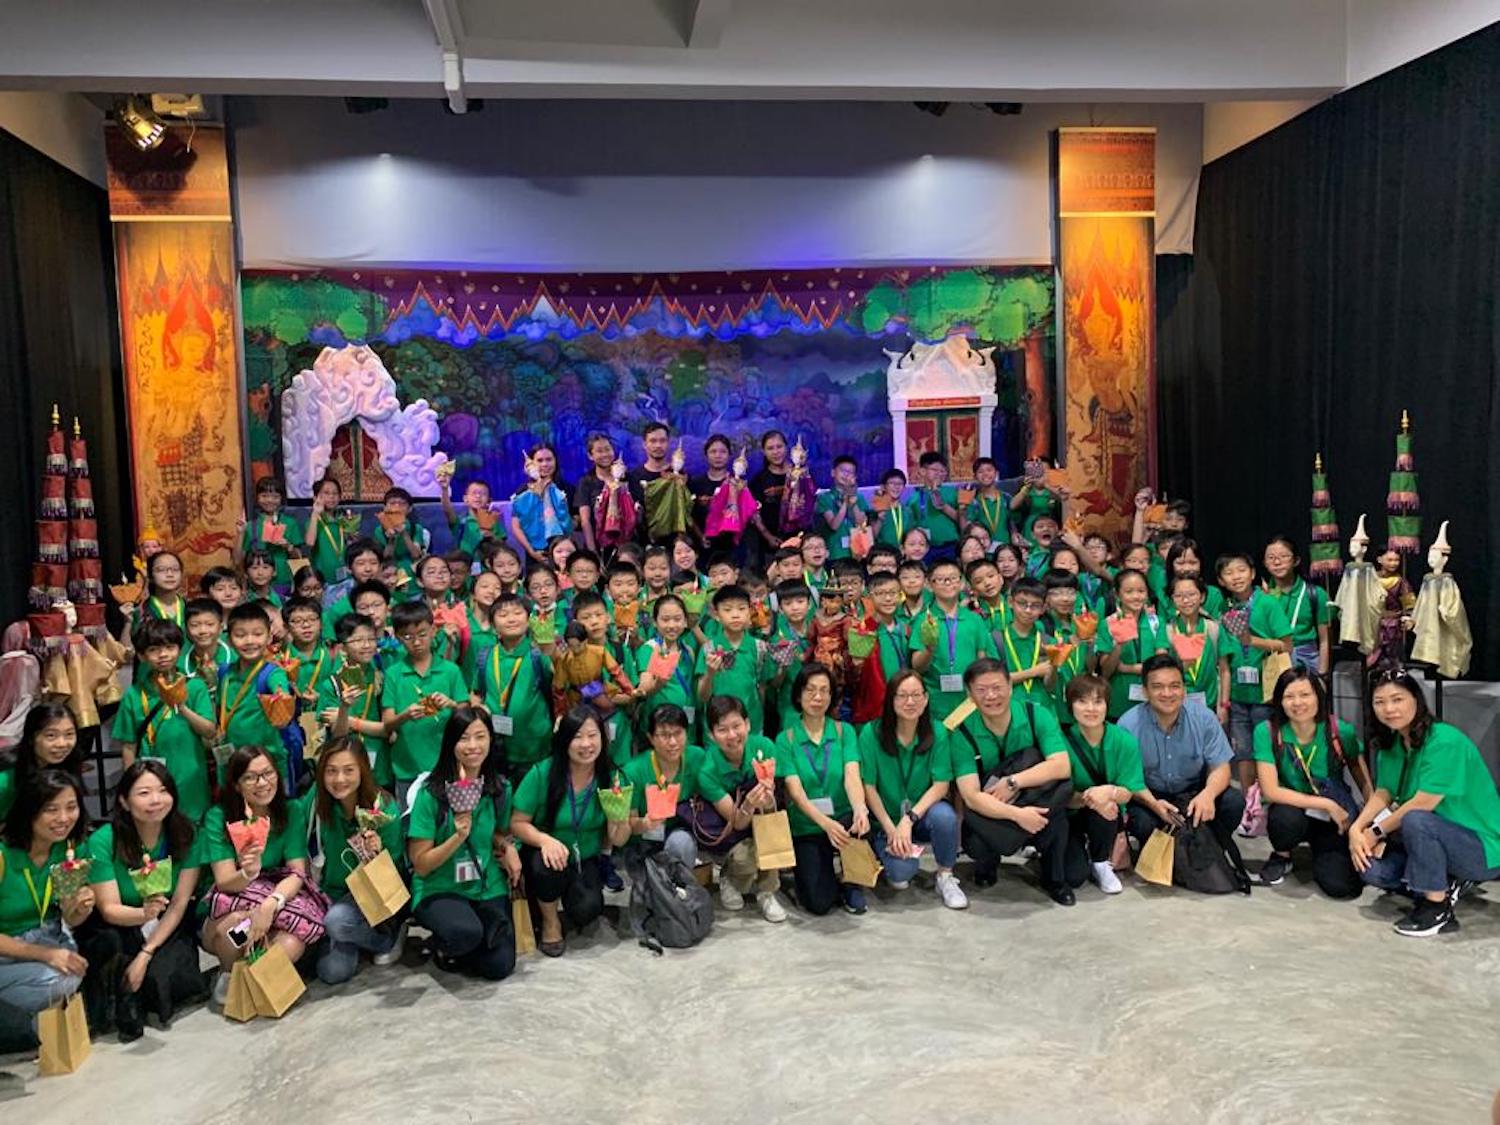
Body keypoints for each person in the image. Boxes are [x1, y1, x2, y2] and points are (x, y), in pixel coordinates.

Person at [1350, 670, 1500, 937]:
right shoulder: (1394, 744)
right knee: (1371, 870)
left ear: (1416, 700)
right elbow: (1384, 792)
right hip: (1429, 838)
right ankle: (1446, 882)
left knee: (1416, 819)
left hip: (1481, 847)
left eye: (1397, 699)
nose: (1389, 709)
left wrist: (1376, 832)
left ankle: (1437, 908)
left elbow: (1424, 803)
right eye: (1380, 702)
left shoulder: (1444, 741)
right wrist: (1357, 830)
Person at [80, 761, 205, 1039]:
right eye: (144, 793)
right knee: (115, 954)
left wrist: (146, 954)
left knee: (160, 978)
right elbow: (109, 908)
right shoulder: (104, 840)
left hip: (168, 922)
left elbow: (179, 903)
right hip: (122, 921)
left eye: (163, 790)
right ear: (124, 801)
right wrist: (143, 915)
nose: (156, 800)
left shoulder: (187, 834)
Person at [200, 748, 325, 1005]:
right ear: (236, 784)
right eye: (250, 777)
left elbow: (297, 872)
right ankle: (229, 973)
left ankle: (254, 978)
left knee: (291, 944)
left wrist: (270, 905)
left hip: (277, 898)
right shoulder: (218, 817)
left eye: (268, 773)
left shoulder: (290, 810)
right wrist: (248, 872)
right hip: (234, 902)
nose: (262, 783)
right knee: (235, 929)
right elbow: (224, 881)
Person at [948, 659, 1075, 904]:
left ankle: (1054, 880)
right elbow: (971, 796)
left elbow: (1061, 765)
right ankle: (987, 864)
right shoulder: (962, 732)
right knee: (975, 842)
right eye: (981, 690)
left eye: (997, 687)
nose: (991, 696)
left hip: (1034, 798)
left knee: (1058, 820)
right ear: (970, 695)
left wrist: (1013, 782)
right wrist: (1017, 815)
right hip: (994, 806)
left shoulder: (1036, 714)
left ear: (1010, 686)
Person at [510, 706, 632, 957]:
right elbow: (517, 823)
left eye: (593, 735)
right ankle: (550, 921)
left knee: (587, 910)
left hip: (583, 857)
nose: (586, 744)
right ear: (564, 740)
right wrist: (544, 840)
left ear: (603, 738)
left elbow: (620, 840)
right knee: (546, 871)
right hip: (546, 855)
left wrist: (618, 821)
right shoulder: (542, 773)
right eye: (577, 736)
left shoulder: (614, 779)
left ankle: (568, 894)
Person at [407, 709, 520, 979]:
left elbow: (498, 833)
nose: (473, 746)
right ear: (450, 743)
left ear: (491, 740)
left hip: (486, 884)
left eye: (480, 736)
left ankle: (470, 943)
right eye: (463, 738)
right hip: (440, 885)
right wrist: (458, 836)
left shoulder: (499, 789)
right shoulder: (430, 794)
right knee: (464, 934)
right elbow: (421, 865)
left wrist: (508, 847)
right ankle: (448, 943)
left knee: (500, 965)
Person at [1118, 654, 1248, 872]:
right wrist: (1153, 804)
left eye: (1174, 686)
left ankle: (1209, 848)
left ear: (1184, 690)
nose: (1167, 693)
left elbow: (1221, 767)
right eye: (1158, 687)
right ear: (1145, 691)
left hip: (1193, 792)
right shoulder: (1128, 725)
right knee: (1142, 822)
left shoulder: (1204, 718)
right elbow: (1128, 779)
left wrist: (1208, 794)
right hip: (1150, 795)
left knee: (1232, 802)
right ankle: (1158, 852)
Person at [1252, 668, 1368, 898]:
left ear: (1318, 696)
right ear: (1279, 701)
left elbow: (1361, 776)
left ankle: (1323, 851)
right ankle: (1282, 854)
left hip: (1332, 818)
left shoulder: (1339, 731)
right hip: (1294, 809)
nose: (1297, 703)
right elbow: (1271, 791)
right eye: (1289, 696)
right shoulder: (1268, 732)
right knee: (1284, 819)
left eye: (1305, 695)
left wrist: (1368, 822)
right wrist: (1326, 804)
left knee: (1342, 887)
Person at [0, 771, 96, 1046]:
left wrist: (80, 908)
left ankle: (29, 1026)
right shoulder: (4, 855)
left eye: (71, 807)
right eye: (51, 810)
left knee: (72, 969)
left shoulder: (70, 850)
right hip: (8, 949)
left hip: (49, 937)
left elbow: (70, 920)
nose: (63, 818)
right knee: (61, 979)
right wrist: (46, 955)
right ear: (29, 811)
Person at [858, 670, 967, 909]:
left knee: (945, 817)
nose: (910, 702)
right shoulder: (871, 733)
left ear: (926, 699)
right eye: (902, 695)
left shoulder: (937, 732)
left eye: (916, 695)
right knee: (901, 874)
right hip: (886, 821)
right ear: (891, 700)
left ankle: (945, 875)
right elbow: (869, 787)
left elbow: (941, 785)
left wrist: (909, 819)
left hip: (921, 816)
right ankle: (890, 857)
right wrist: (892, 829)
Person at [303, 738, 408, 983]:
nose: (339, 779)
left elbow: (394, 872)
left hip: (368, 894)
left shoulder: (382, 809)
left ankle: (385, 938)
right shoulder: (316, 801)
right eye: (331, 771)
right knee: (331, 972)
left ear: (363, 770)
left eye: (349, 770)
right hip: (328, 893)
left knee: (337, 922)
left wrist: (377, 854)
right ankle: (354, 934)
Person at [1059, 675, 1172, 895]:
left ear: (1107, 705)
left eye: (1098, 701)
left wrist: (1109, 792)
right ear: (1070, 705)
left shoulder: (1123, 740)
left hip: (1106, 814)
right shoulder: (1060, 742)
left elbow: (1129, 791)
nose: (1090, 708)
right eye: (1082, 701)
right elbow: (1059, 795)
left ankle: (1101, 862)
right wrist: (1091, 797)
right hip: (1068, 812)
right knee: (1073, 877)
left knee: (1108, 807)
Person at [775, 663, 869, 915]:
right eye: (810, 690)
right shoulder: (786, 739)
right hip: (808, 824)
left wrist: (860, 808)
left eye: (824, 690)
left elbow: (852, 776)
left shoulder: (844, 731)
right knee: (818, 904)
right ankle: (821, 875)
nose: (817, 697)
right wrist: (825, 824)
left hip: (842, 818)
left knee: (859, 822)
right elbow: (796, 793)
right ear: (798, 695)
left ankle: (852, 882)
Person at [693, 696, 786, 921]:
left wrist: (768, 801)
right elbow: (737, 822)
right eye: (722, 730)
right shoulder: (707, 771)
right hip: (732, 827)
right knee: (745, 860)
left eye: (737, 726)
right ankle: (730, 878)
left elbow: (776, 803)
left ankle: (767, 891)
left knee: (772, 828)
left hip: (764, 818)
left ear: (748, 724)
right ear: (711, 735)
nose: (732, 735)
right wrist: (749, 804)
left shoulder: (765, 747)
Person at [380, 601, 467, 802]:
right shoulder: (393, 673)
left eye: (422, 634)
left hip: (447, 764)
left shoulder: (450, 671)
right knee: (409, 818)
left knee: (446, 817)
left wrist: (451, 704)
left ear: (433, 631)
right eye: (407, 637)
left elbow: (466, 714)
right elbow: (387, 723)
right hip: (406, 768)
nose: (416, 642)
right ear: (397, 637)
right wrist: (405, 715)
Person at [471, 593, 554, 785]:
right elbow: (476, 693)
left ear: (529, 619)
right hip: (494, 746)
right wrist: (478, 709)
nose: (511, 619)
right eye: (503, 615)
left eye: (518, 613)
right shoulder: (485, 656)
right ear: (493, 625)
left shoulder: (537, 655)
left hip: (535, 746)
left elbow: (559, 681)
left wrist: (550, 647)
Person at [910, 558, 998, 721]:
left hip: (970, 700)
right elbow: (917, 667)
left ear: (962, 582)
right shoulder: (924, 621)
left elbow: (982, 659)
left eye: (953, 578)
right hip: (935, 701)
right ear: (929, 585)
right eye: (941, 579)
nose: (948, 583)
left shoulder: (974, 619)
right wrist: (929, 650)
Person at [622, 704, 708, 869]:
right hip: (644, 840)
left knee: (681, 843)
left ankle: (681, 880)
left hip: (681, 831)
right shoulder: (633, 771)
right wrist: (645, 823)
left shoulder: (697, 757)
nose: (673, 742)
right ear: (651, 738)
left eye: (678, 733)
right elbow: (630, 823)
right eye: (664, 735)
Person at [1095, 567, 1168, 720]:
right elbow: (1106, 672)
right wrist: (1119, 645)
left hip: (1152, 701)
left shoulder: (1156, 622)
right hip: (1118, 703)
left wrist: (1127, 668)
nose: (1136, 596)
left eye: (1141, 591)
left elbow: (1162, 662)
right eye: (1129, 592)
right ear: (1117, 594)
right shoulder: (1107, 624)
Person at [0, 703, 82, 820]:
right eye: (51, 735)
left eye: (69, 734)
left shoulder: (67, 768)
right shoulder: (5, 778)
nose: (62, 744)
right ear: (31, 738)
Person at [1262, 536, 1330, 675]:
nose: (1277, 562)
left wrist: (1322, 674)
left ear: (1296, 561)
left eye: (1284, 556)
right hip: (1271, 661)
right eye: (1271, 558)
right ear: (1265, 563)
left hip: (1307, 661)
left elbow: (1324, 640)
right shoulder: (1260, 596)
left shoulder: (1316, 594)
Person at [509, 442, 572, 564]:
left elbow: (574, 521)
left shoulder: (566, 489)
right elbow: (516, 526)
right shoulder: (522, 493)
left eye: (549, 460)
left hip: (563, 554)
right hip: (535, 553)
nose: (545, 464)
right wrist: (531, 551)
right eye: (540, 460)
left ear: (556, 461)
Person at [302, 475, 350, 583]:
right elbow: (309, 542)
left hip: (344, 576)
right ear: (315, 497)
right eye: (326, 493)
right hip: (322, 578)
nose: (331, 497)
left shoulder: (343, 520)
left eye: (335, 493)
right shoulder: (314, 521)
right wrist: (315, 513)